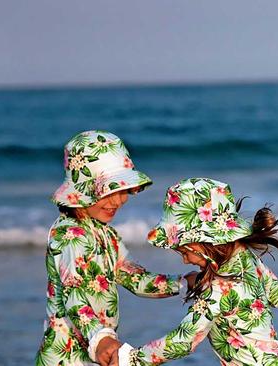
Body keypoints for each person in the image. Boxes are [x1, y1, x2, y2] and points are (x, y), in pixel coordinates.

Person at [99, 178, 278, 366]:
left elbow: (183, 341)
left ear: (203, 242)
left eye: (184, 252)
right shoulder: (248, 258)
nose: (185, 260)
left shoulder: (217, 290)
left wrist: (131, 358)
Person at [35, 131, 194, 366]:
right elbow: (73, 294)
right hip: (65, 356)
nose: (119, 201)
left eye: (123, 191)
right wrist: (100, 339)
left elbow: (134, 278)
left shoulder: (106, 234)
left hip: (96, 349)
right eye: (110, 192)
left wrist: (183, 283)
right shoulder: (69, 234)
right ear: (84, 190)